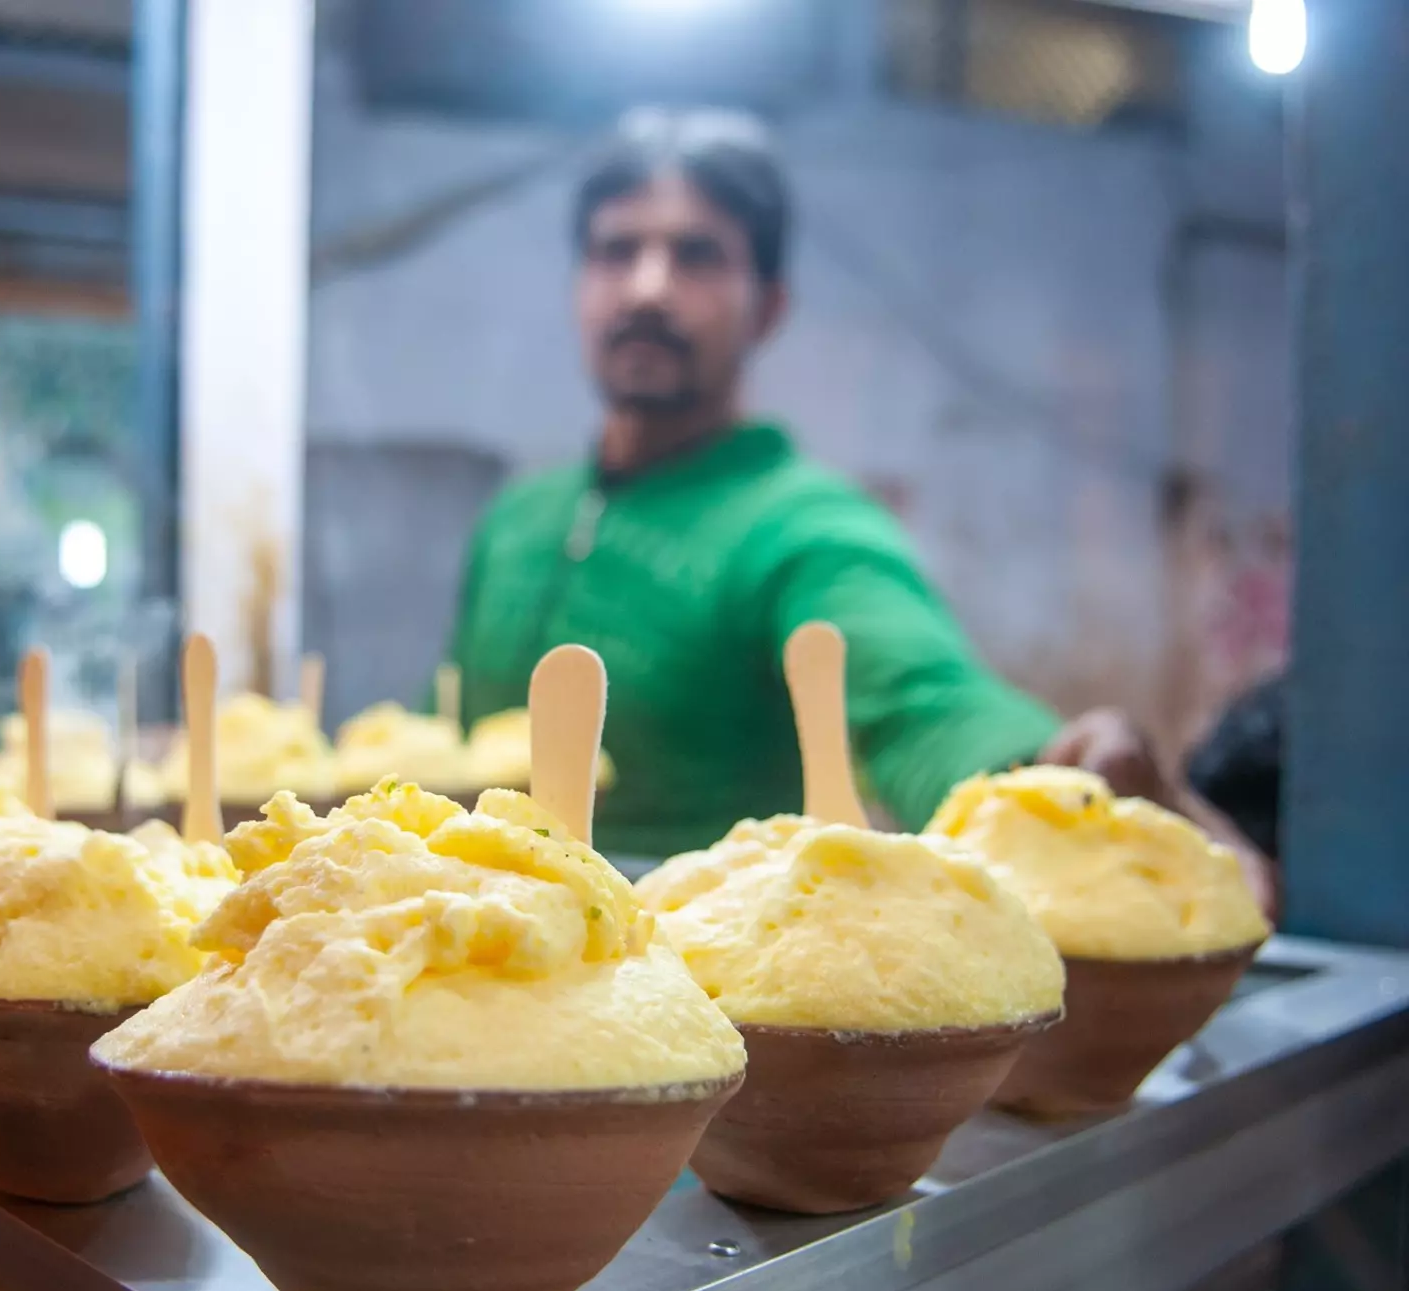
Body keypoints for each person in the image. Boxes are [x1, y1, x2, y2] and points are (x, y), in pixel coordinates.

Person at [440, 106, 1275, 908]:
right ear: (578, 286)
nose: (648, 287)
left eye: (697, 256)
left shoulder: (802, 529)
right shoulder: (519, 520)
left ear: (769, 306)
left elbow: (922, 704)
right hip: (492, 969)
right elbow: (446, 730)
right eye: (616, 251)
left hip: (693, 980)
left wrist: (1055, 777)